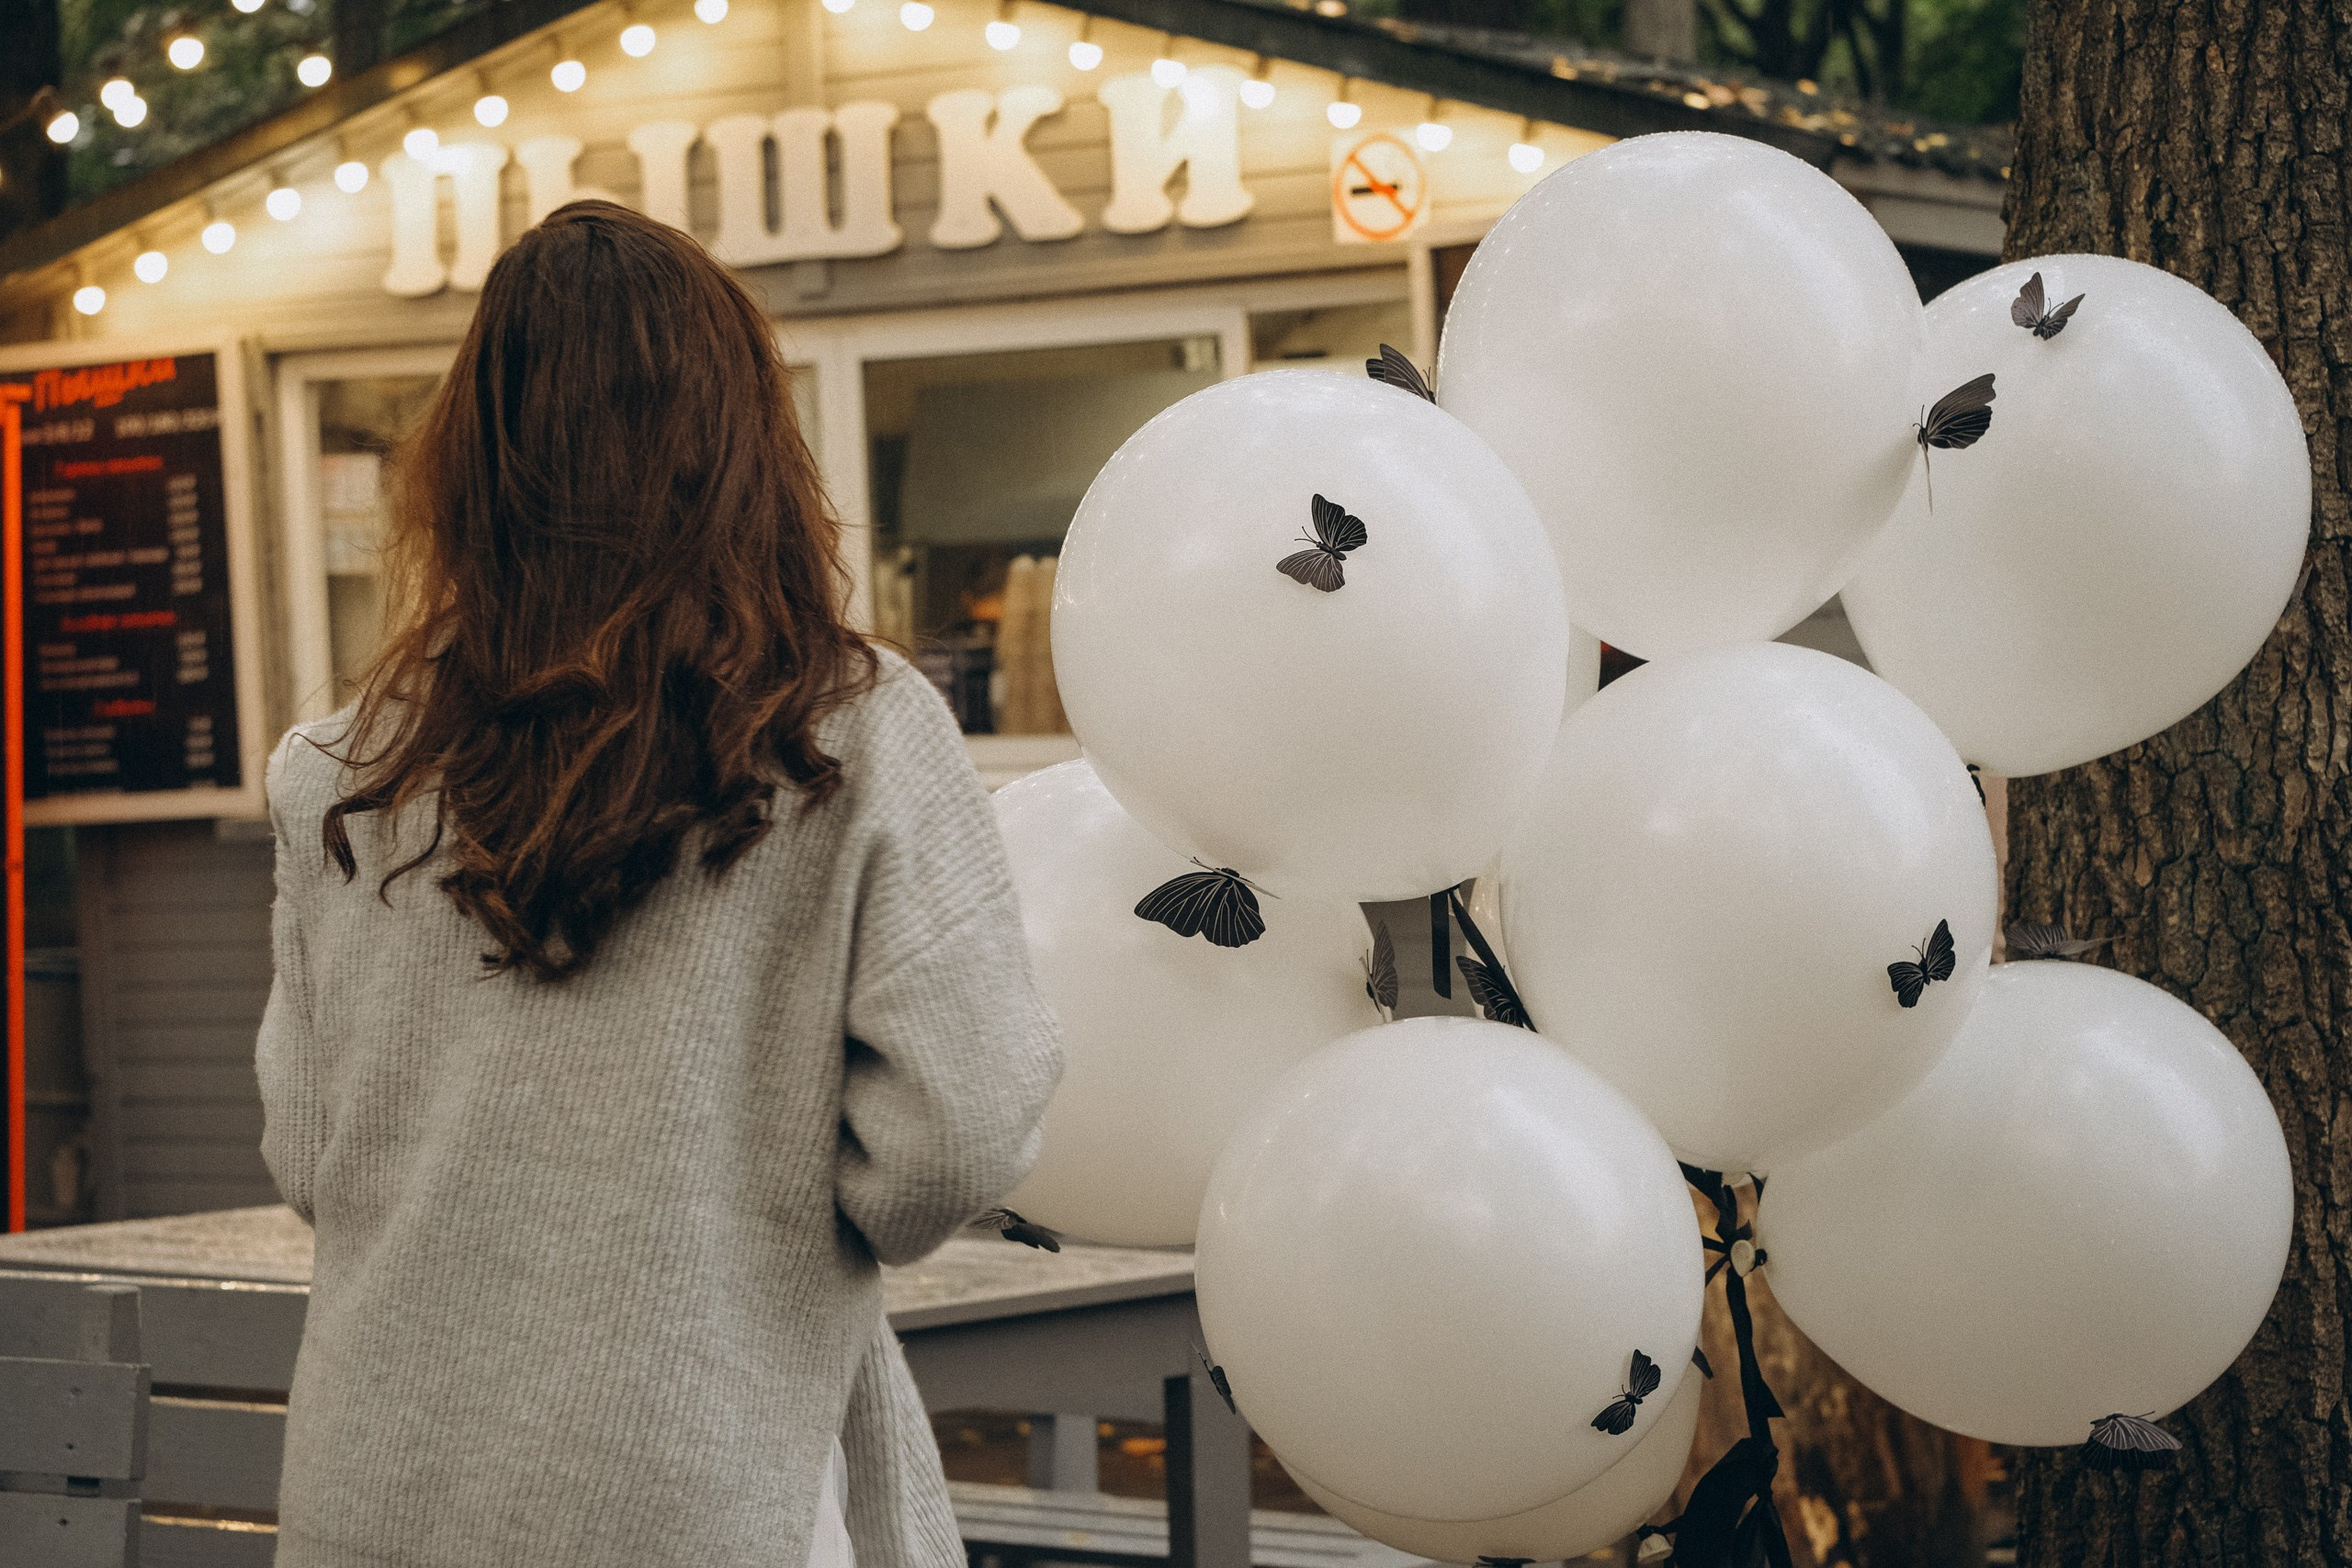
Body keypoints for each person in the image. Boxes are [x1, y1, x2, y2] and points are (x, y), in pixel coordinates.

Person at [254, 200, 1062, 1568]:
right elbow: (958, 1132)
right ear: (745, 444)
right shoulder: (848, 738)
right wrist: (767, 1203)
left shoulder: (341, 774)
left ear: (474, 464)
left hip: (386, 1497)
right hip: (705, 1479)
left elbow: (308, 1149)